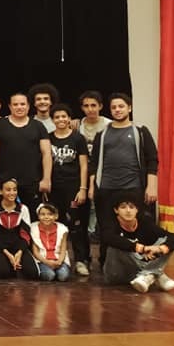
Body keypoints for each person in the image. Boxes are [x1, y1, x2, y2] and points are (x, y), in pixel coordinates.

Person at [89, 92, 159, 265]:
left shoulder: (140, 131)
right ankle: (107, 264)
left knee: (138, 227)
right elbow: (94, 163)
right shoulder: (102, 134)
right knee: (107, 228)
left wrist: (151, 186)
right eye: (114, 107)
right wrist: (91, 187)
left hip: (133, 187)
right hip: (106, 189)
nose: (117, 110)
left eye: (121, 106)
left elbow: (152, 159)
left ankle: (141, 262)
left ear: (129, 108)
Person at [0, 92, 52, 216]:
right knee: (5, 216)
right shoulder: (0, 126)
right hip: (5, 181)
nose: (19, 107)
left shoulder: (38, 126)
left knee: (32, 216)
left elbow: (46, 153)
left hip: (32, 181)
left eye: (22, 104)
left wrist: (46, 179)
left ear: (28, 106)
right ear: (10, 107)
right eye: (15, 104)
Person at [101, 196, 174, 293]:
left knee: (165, 241)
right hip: (117, 274)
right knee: (117, 244)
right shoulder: (110, 223)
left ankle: (148, 275)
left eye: (131, 207)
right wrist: (140, 248)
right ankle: (156, 275)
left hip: (137, 272)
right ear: (116, 210)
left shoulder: (144, 222)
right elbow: (108, 238)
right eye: (123, 207)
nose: (128, 211)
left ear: (137, 210)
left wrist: (159, 248)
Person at [49, 104, 91, 275]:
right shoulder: (48, 138)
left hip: (74, 188)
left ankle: (81, 260)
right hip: (54, 189)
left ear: (69, 118)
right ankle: (60, 258)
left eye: (63, 116)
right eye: (57, 117)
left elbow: (84, 165)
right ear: (52, 120)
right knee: (56, 223)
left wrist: (83, 188)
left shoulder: (78, 138)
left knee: (76, 224)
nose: (60, 120)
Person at [0, 177, 35, 279]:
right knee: (2, 273)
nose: (12, 193)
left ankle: (15, 266)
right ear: (0, 191)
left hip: (18, 246)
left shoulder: (23, 209)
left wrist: (19, 252)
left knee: (33, 273)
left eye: (14, 190)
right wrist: (8, 255)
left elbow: (26, 234)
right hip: (0, 247)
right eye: (8, 190)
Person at [77, 90, 110, 240]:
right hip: (83, 169)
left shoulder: (108, 124)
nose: (90, 109)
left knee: (101, 202)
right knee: (87, 203)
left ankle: (101, 232)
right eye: (86, 106)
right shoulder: (78, 125)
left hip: (104, 169)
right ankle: (89, 231)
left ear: (100, 106)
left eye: (93, 105)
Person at [29, 203, 71, 282]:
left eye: (50, 214)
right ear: (38, 216)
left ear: (56, 216)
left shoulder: (62, 229)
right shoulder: (33, 228)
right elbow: (35, 252)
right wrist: (48, 262)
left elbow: (63, 249)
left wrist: (59, 262)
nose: (46, 217)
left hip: (58, 259)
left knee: (63, 276)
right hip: (42, 260)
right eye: (43, 214)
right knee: (49, 276)